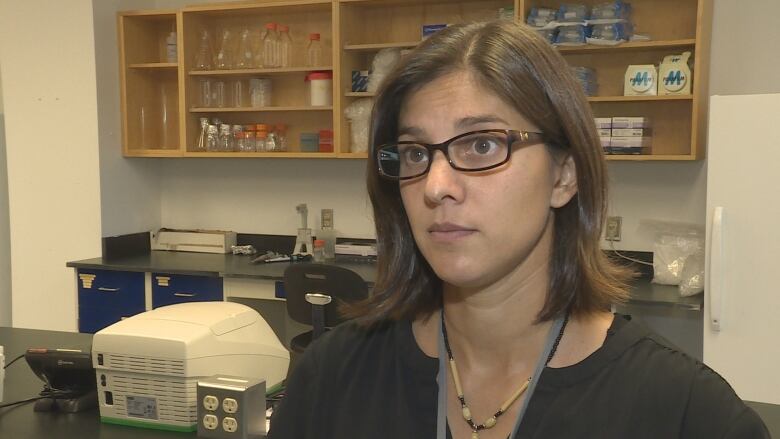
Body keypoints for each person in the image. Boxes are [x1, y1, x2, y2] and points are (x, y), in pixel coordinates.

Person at [268, 20, 769, 439]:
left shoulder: (688, 414)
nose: (436, 185)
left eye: (482, 145)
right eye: (416, 153)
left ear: (563, 175)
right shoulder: (331, 379)